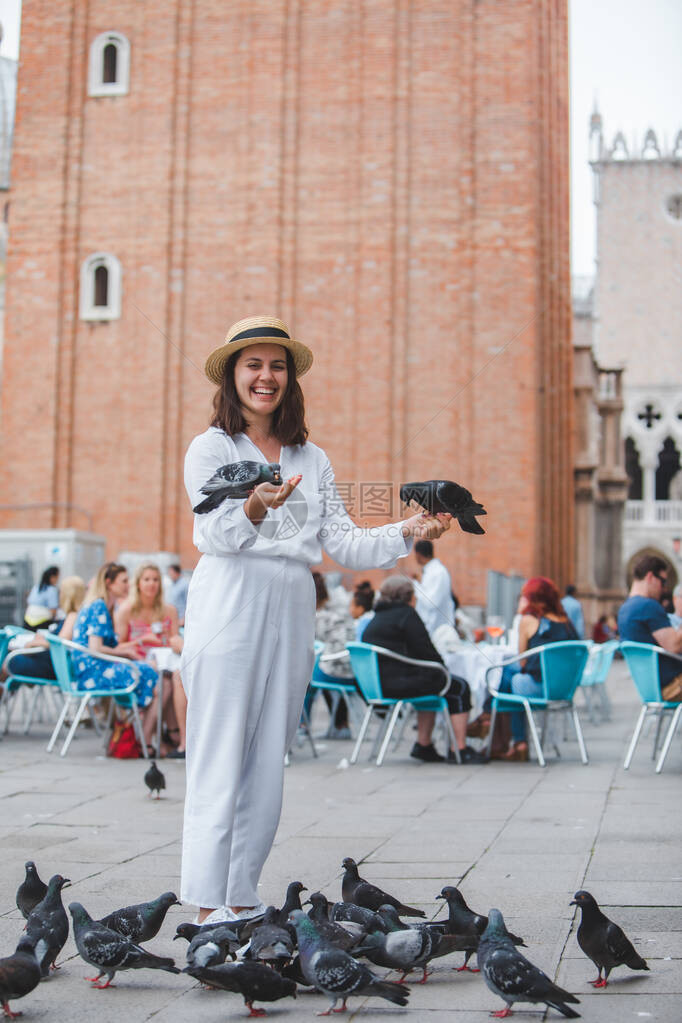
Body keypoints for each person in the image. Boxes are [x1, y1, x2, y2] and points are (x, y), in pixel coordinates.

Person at [181, 315, 451, 926]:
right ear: (232, 376)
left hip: (293, 600)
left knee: (269, 756)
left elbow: (345, 543)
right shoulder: (212, 448)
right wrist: (253, 502)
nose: (265, 377)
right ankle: (205, 904)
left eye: (276, 365)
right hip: (231, 595)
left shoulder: (312, 455)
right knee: (220, 750)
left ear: (290, 378)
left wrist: (410, 529)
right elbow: (211, 532)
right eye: (252, 365)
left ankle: (243, 895)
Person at [362, 575, 484, 765]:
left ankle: (424, 744)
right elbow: (427, 652)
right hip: (398, 684)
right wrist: (441, 668)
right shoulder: (406, 615)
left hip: (377, 685)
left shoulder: (376, 617)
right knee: (459, 686)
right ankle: (459, 748)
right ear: (408, 597)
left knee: (430, 682)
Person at [71, 562, 163, 753]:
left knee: (148, 673)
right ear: (109, 583)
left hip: (91, 670)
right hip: (93, 673)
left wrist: (134, 646)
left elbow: (105, 646)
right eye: (123, 581)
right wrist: (127, 652)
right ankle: (144, 741)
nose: (128, 584)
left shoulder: (103, 606)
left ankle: (140, 738)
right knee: (153, 679)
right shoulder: (99, 607)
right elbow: (96, 647)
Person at [492, 576, 578, 761]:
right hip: (565, 691)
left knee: (508, 674)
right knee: (512, 678)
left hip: (540, 690)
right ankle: (507, 739)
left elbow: (522, 662)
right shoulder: (566, 622)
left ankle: (511, 739)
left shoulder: (528, 620)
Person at [114, 562, 184, 757]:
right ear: (138, 584)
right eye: (147, 579)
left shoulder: (168, 611)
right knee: (165, 685)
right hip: (136, 663)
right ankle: (151, 739)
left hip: (164, 664)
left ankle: (163, 737)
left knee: (172, 680)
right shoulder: (126, 611)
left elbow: (174, 640)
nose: (151, 584)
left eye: (155, 580)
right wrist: (142, 640)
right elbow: (117, 646)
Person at [618, 555, 682, 700]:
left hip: (650, 688)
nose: (664, 588)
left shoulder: (625, 608)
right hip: (672, 686)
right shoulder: (648, 606)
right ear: (650, 577)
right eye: (663, 581)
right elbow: (675, 645)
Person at [2, 576, 86, 683]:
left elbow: (60, 642)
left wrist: (37, 642)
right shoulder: (76, 615)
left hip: (56, 667)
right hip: (55, 664)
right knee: (10, 659)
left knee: (7, 661)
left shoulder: (73, 616)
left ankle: (5, 693)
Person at [313, 571, 356, 737]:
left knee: (307, 681)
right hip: (349, 667)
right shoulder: (337, 611)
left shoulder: (319, 617)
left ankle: (302, 726)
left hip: (333, 667)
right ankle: (341, 724)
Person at [412, 540, 455, 636]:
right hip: (433, 628)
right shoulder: (431, 571)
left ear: (418, 554)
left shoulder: (438, 572)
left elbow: (431, 602)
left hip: (438, 630)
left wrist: (415, 585)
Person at [23, 566, 60, 631]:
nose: (58, 579)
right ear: (52, 577)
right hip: (42, 624)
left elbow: (29, 603)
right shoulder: (52, 590)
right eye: (57, 577)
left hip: (27, 620)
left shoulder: (36, 587)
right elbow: (53, 610)